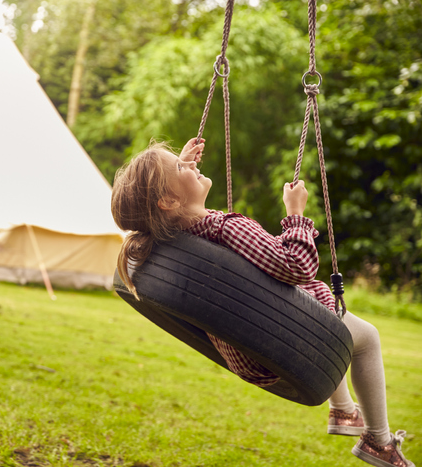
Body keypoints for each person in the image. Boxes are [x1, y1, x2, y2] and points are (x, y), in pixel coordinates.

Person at [110, 139, 414, 467]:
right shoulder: (227, 228)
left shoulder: (176, 241)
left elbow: (173, 202)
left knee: (335, 336)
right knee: (366, 338)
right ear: (167, 200)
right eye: (183, 168)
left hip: (250, 354)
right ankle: (378, 441)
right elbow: (297, 266)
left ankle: (343, 410)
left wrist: (181, 167)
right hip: (290, 334)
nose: (193, 166)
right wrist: (295, 214)